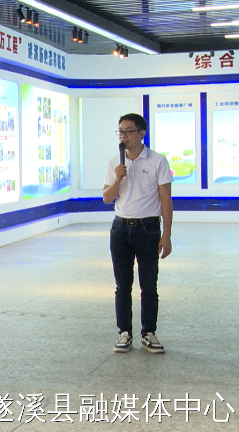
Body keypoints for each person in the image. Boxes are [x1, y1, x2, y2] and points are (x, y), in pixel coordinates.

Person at [102, 113, 173, 354]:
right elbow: (107, 198)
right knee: (122, 285)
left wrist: (166, 234)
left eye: (128, 131)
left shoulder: (157, 161)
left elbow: (166, 200)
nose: (123, 136)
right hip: (120, 229)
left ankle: (148, 333)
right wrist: (118, 179)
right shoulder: (115, 162)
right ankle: (124, 333)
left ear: (141, 134)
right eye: (120, 131)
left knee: (149, 285)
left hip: (148, 229)